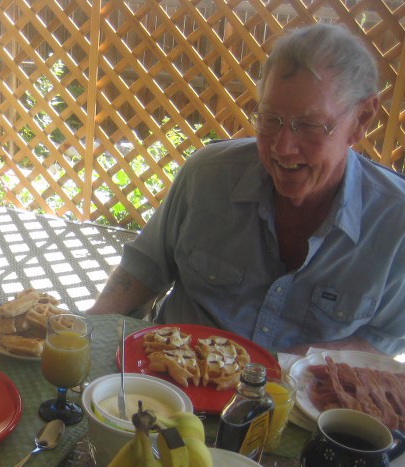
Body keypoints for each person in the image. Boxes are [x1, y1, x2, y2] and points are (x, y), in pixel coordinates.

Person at [88, 23, 405, 357]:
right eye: (270, 119)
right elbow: (144, 268)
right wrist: (85, 328)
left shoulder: (394, 222)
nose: (282, 147)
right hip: (166, 388)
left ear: (361, 120)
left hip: (299, 403)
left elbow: (382, 338)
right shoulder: (207, 176)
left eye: (309, 125)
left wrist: (286, 370)